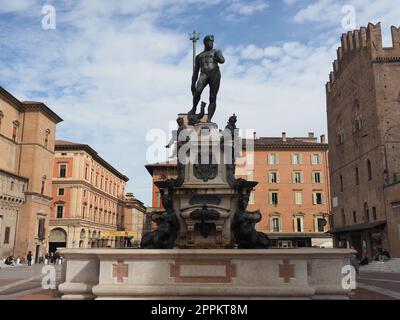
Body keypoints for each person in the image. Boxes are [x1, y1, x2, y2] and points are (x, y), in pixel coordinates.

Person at [189, 35, 225, 122]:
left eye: (212, 42)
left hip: (215, 74)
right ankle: (194, 108)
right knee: (197, 91)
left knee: (212, 97)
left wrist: (218, 57)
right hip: (204, 73)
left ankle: (209, 119)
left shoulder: (216, 51)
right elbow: (195, 71)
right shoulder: (199, 56)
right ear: (205, 42)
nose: (211, 43)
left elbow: (222, 60)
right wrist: (193, 83)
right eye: (209, 41)